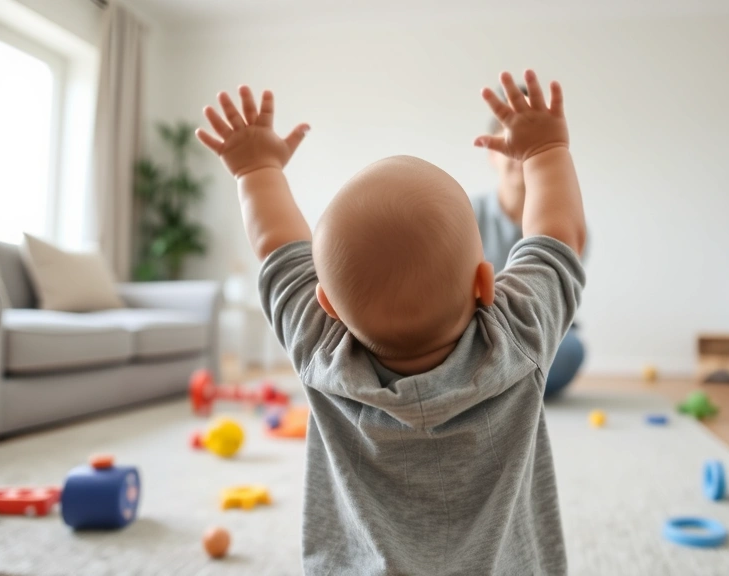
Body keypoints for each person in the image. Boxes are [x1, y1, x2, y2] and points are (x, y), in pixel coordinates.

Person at [196, 70, 586, 575]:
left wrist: (255, 169)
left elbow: (276, 244)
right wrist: (546, 149)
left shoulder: (317, 345)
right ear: (485, 284)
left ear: (327, 305)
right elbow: (560, 233)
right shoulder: (520, 335)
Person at [472, 84, 587, 399]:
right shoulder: (465, 215)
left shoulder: (573, 230)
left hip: (537, 337)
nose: (516, 152)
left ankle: (493, 387)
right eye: (507, 138)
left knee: (569, 352)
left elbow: (555, 301)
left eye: (525, 142)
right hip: (475, 336)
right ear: (491, 153)